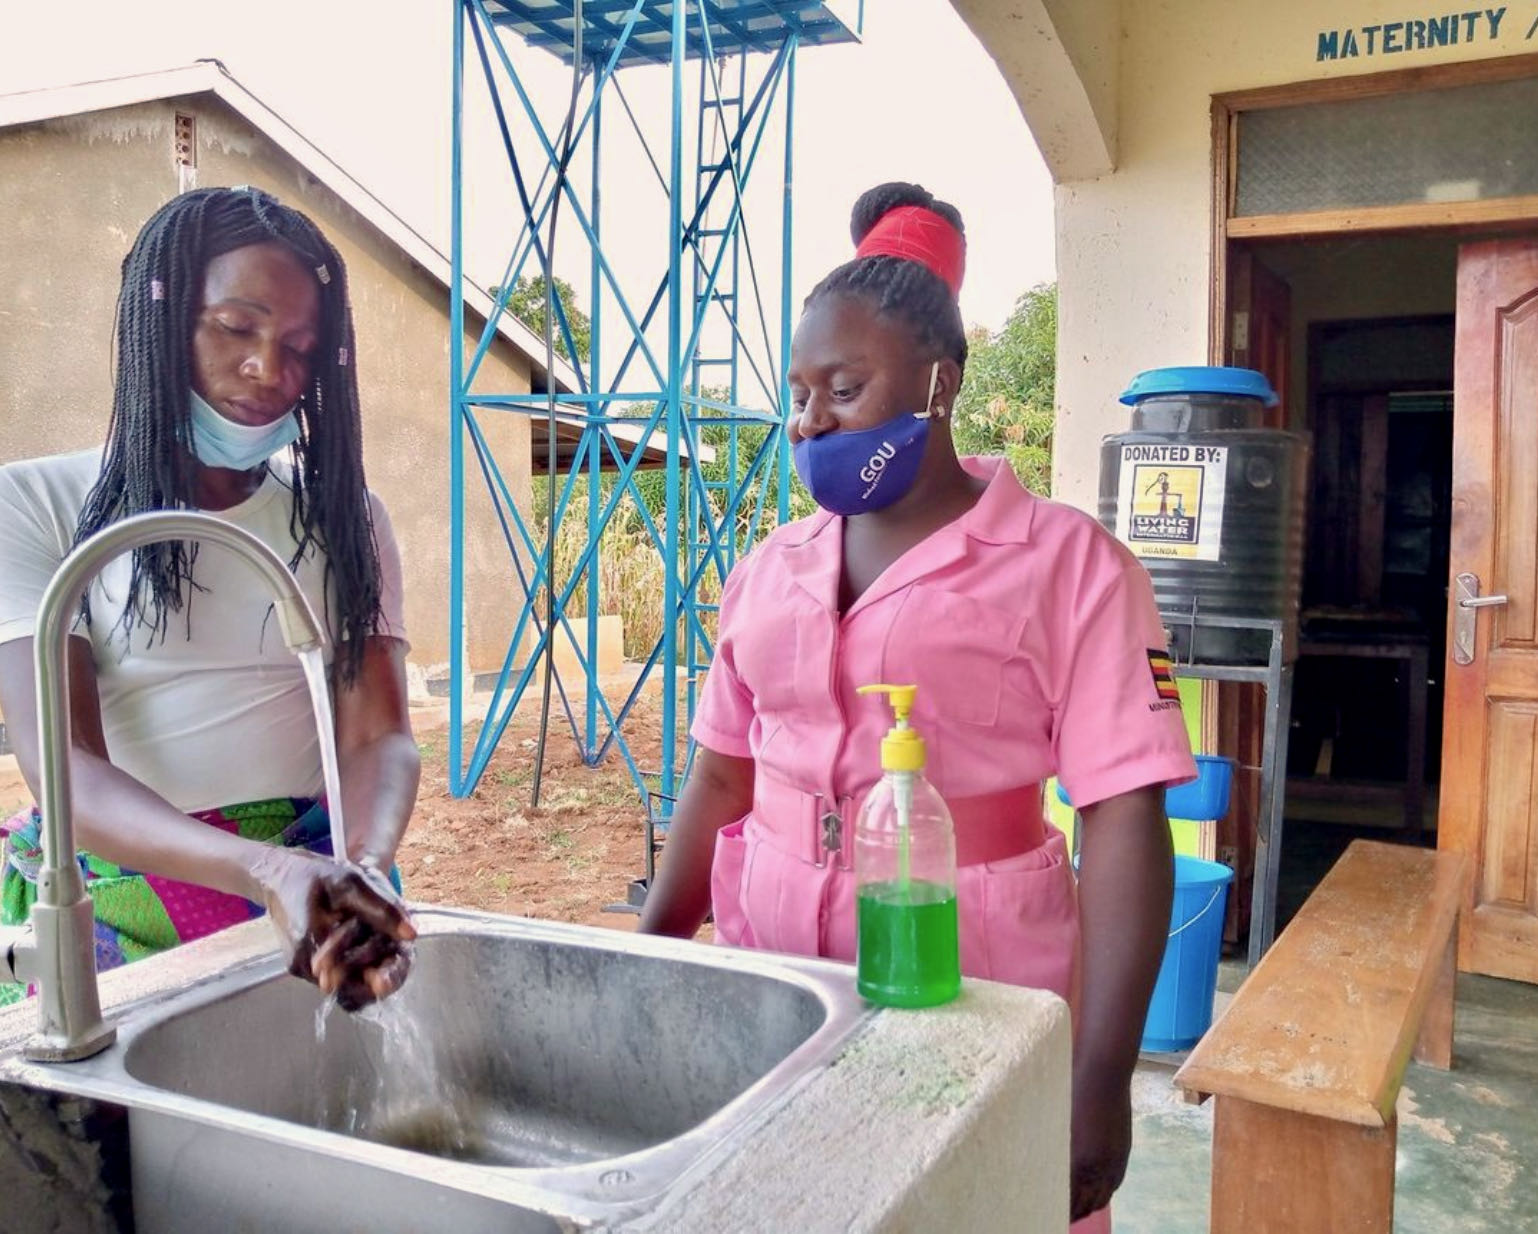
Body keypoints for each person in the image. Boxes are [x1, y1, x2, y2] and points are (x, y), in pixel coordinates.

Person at [638, 182, 1195, 1229]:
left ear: (936, 382)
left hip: (974, 976)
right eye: (796, 393)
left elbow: (1123, 816)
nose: (810, 421)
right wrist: (649, 954)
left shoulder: (1071, 567)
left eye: (842, 389)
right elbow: (720, 773)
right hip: (773, 973)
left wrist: (1099, 1078)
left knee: (966, 1200)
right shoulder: (769, 568)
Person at [0, 187, 419, 1013]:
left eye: (301, 347)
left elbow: (379, 733)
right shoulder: (39, 506)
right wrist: (263, 870)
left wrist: (359, 868)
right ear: (158, 323)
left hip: (320, 893)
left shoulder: (343, 517)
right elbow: (66, 767)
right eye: (236, 328)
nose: (270, 371)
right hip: (127, 901)